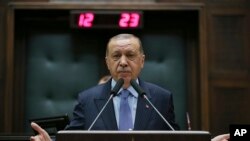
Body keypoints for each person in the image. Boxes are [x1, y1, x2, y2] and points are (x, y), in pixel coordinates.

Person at [30, 33, 229, 141]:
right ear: (107, 62)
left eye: (130, 55)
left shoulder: (160, 97)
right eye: (116, 56)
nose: (123, 62)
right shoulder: (87, 99)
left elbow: (174, 140)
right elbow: (72, 140)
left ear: (142, 61)